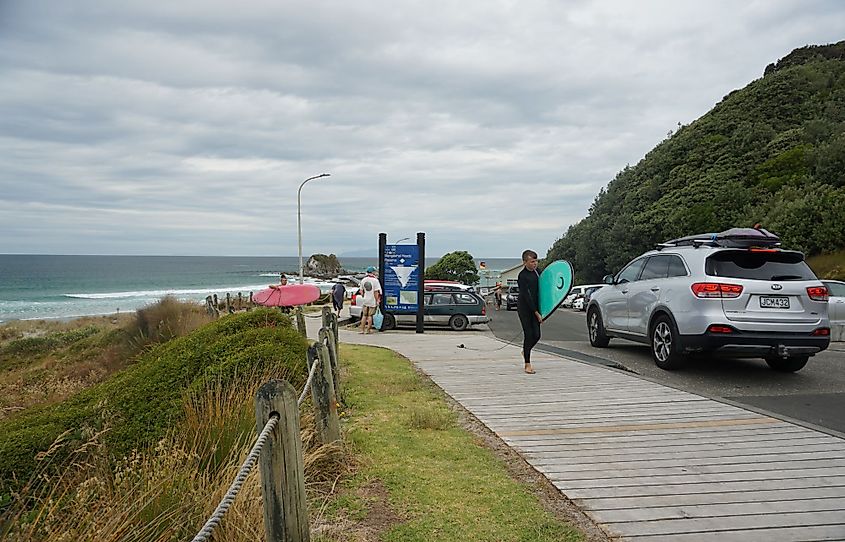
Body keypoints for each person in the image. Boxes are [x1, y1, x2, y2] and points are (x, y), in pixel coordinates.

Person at [517, 250, 542, 374]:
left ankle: (525, 350)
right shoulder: (522, 276)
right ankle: (527, 364)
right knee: (528, 334)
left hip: (536, 307)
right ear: (524, 262)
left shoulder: (538, 273)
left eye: (536, 261)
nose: (535, 264)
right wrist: (536, 312)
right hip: (525, 308)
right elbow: (527, 296)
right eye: (532, 261)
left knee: (537, 335)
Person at [359, 266, 382, 334]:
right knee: (370, 316)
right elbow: (376, 292)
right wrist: (377, 300)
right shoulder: (375, 280)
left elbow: (361, 291)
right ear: (372, 272)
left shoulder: (363, 280)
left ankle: (362, 330)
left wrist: (364, 296)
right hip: (372, 301)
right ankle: (368, 330)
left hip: (365, 300)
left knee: (364, 315)